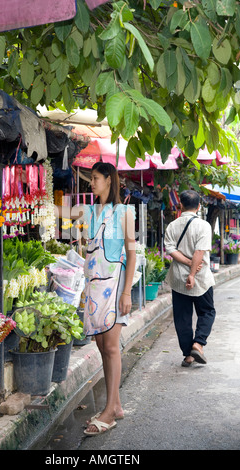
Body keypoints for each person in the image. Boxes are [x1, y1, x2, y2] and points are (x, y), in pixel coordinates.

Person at [76, 162, 136, 436]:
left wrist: (126, 293)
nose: (92, 182)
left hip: (114, 284)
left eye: (96, 178)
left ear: (109, 180)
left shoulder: (124, 212)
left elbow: (131, 253)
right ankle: (117, 405)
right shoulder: (89, 212)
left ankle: (109, 412)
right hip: (94, 285)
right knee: (101, 344)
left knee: (111, 347)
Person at [164, 190, 216, 367]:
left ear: (180, 205)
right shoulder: (203, 226)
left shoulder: (172, 226)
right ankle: (198, 343)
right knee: (207, 311)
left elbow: (170, 249)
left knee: (182, 317)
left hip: (178, 278)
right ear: (199, 206)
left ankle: (188, 355)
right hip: (201, 278)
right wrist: (192, 274)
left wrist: (186, 265)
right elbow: (199, 252)